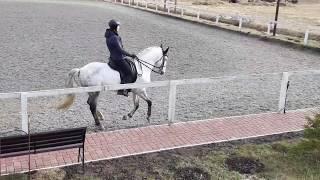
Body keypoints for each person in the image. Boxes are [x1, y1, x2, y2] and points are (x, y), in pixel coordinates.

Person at [105, 19, 137, 97]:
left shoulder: (109, 35)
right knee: (129, 72)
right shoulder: (114, 37)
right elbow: (120, 50)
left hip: (113, 57)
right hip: (118, 59)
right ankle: (122, 90)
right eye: (118, 26)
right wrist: (130, 55)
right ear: (115, 27)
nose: (119, 27)